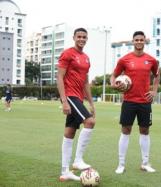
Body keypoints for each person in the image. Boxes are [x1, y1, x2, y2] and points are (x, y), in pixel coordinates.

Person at [110, 31, 160, 174]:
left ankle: (145, 163)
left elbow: (157, 75)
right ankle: (121, 164)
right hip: (129, 101)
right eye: (136, 40)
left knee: (145, 131)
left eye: (141, 40)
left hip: (145, 101)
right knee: (126, 130)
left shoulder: (151, 60)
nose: (139, 42)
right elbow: (113, 75)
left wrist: (154, 91)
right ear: (133, 41)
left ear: (145, 41)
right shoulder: (124, 59)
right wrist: (113, 84)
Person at [57, 28, 96, 181]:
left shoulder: (86, 58)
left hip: (78, 98)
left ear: (87, 39)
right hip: (69, 96)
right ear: (74, 37)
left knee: (69, 133)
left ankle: (65, 171)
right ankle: (78, 160)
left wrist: (92, 103)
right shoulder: (67, 53)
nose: (81, 39)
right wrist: (64, 101)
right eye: (79, 36)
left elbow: (86, 82)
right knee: (90, 121)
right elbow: (59, 77)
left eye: (84, 37)